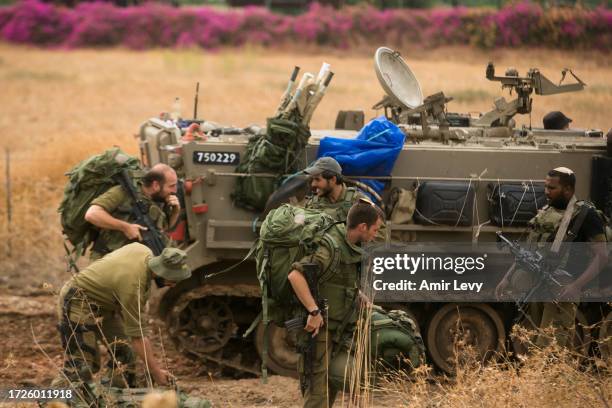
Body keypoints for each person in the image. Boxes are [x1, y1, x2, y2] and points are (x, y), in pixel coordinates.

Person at [54, 243, 191, 398]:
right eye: (173, 280)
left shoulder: (143, 249)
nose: (174, 285)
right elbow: (137, 336)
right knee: (82, 365)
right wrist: (156, 372)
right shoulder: (133, 286)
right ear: (162, 272)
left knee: (125, 353)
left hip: (105, 305)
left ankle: (113, 397)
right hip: (77, 301)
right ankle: (53, 399)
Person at [495, 167, 608, 347]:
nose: (546, 192)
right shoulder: (547, 211)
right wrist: (507, 278)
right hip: (540, 285)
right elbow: (528, 251)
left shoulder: (586, 215)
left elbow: (602, 256)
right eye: (546, 186)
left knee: (551, 346)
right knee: (533, 343)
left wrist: (576, 286)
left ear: (568, 189)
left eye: (552, 188)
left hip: (561, 287)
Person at [288, 201, 384, 408]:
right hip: (318, 330)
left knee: (330, 386)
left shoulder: (350, 246)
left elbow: (335, 279)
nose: (375, 235)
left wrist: (357, 294)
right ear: (362, 227)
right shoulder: (329, 248)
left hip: (336, 327)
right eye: (375, 229)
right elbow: (295, 275)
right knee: (318, 393)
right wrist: (313, 311)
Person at [85, 163, 180, 260]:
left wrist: (175, 211)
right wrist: (126, 227)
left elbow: (164, 228)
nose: (175, 190)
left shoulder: (157, 199)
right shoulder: (123, 192)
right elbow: (92, 214)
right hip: (107, 259)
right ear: (155, 185)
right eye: (171, 186)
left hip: (132, 261)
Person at [303, 157, 369, 222]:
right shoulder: (312, 204)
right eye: (313, 179)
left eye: (317, 179)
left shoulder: (358, 202)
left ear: (333, 179)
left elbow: (376, 229)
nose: (313, 184)